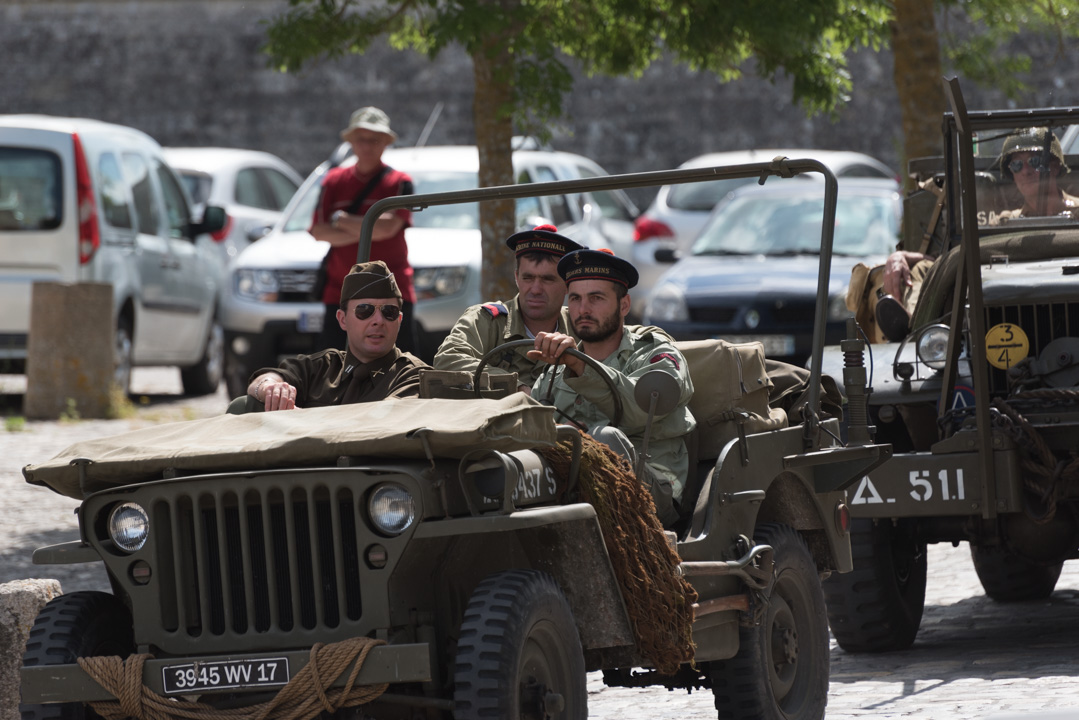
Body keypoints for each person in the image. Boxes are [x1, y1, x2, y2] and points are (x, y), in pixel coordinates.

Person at [527, 249, 695, 527]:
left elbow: (638, 409)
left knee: (606, 439)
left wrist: (579, 366)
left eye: (596, 298)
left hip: (652, 492)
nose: (583, 309)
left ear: (624, 305)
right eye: (576, 299)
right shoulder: (554, 372)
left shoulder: (656, 356)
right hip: (568, 498)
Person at [875, 127, 1078, 341]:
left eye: (1036, 162)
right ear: (1012, 174)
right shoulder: (1003, 222)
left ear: (1055, 167)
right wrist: (903, 256)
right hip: (1007, 317)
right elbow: (966, 257)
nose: (1025, 171)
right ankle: (915, 325)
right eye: (1017, 165)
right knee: (926, 270)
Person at [247, 261, 426, 410]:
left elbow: (381, 422)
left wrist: (301, 419)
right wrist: (271, 388)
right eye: (365, 311)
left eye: (389, 311)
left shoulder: (413, 376)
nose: (378, 321)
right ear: (342, 320)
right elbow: (262, 380)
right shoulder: (322, 368)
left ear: (399, 320)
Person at [310, 106, 417, 353]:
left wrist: (343, 221)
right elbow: (319, 232)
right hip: (340, 292)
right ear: (351, 142)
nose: (367, 146)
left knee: (400, 366)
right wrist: (371, 227)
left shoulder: (400, 182)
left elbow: (389, 229)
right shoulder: (332, 181)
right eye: (361, 139)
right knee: (332, 365)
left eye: (374, 139)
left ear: (386, 143)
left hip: (394, 291)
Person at [432, 224, 584, 394]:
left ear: (567, 284)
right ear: (516, 277)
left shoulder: (581, 327)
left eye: (547, 279)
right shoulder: (487, 320)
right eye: (528, 278)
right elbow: (446, 360)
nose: (535, 289)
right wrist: (514, 386)